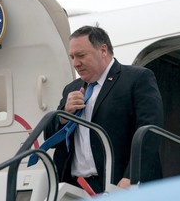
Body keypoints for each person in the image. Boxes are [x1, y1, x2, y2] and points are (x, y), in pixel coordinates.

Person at [44, 25, 163, 193]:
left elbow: (150, 131)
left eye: (81, 55)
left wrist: (132, 177)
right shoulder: (71, 88)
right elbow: (49, 136)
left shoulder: (137, 78)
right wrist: (64, 114)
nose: (75, 63)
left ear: (103, 50)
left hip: (119, 183)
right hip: (75, 187)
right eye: (72, 57)